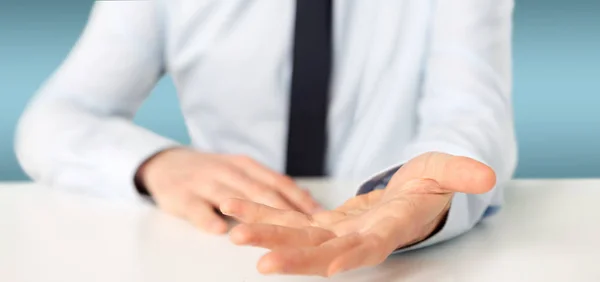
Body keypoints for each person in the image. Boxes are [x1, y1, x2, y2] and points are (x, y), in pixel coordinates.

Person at [15, 0, 517, 277]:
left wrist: (421, 196)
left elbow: (470, 112)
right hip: (222, 251)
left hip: (396, 260)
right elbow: (54, 118)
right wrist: (158, 163)